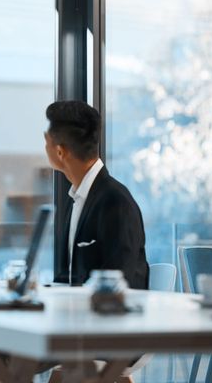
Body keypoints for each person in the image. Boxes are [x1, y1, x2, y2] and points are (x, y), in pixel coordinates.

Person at [44, 100, 149, 289]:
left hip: (107, 315)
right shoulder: (77, 198)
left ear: (60, 152)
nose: (44, 147)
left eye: (46, 141)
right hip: (76, 313)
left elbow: (118, 284)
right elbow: (70, 277)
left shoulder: (116, 202)